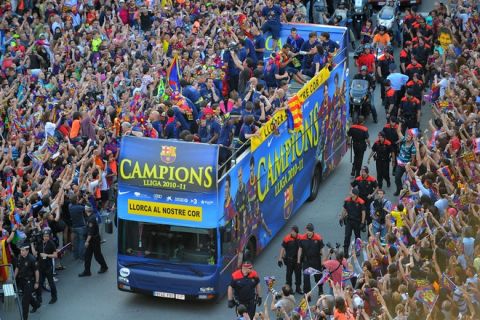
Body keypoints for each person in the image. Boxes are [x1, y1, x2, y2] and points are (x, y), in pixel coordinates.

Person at [79, 205, 108, 277]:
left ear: (86, 210)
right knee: (87, 256)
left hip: (94, 240)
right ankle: (87, 271)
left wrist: (87, 241)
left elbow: (90, 232)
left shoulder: (91, 219)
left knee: (97, 255)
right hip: (93, 239)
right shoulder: (91, 217)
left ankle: (104, 266)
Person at [14, 242, 41, 320]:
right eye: (21, 250)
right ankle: (36, 305)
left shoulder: (32, 259)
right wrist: (13, 278)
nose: (21, 252)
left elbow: (36, 271)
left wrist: (37, 282)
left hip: (29, 281)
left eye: (23, 250)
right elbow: (17, 267)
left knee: (25, 301)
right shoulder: (19, 257)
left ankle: (24, 318)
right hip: (22, 281)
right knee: (28, 296)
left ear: (27, 250)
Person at [297, 223, 324, 296]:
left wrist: (322, 262)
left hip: (316, 261)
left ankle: (320, 290)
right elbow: (300, 250)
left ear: (312, 231)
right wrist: (298, 261)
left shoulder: (318, 238)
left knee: (318, 277)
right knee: (306, 278)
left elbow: (322, 250)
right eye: (307, 230)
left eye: (310, 231)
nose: (308, 232)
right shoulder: (302, 238)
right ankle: (307, 293)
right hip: (306, 261)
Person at [33, 228, 58, 305]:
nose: (46, 237)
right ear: (42, 236)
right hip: (40, 267)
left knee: (51, 283)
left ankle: (54, 297)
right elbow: (35, 254)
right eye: (44, 236)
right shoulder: (39, 243)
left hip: (48, 267)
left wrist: (46, 255)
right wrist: (31, 244)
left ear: (49, 236)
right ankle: (39, 299)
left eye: (47, 236)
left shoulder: (51, 243)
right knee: (39, 283)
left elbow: (55, 255)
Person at [340, 188, 366, 257]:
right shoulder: (347, 200)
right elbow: (344, 210)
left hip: (357, 222)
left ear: (354, 194)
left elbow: (363, 213)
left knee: (357, 236)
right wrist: (341, 218)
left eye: (351, 192)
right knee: (347, 236)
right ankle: (345, 252)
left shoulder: (361, 202)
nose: (349, 193)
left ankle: (358, 250)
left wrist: (362, 223)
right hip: (349, 221)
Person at [278, 225, 303, 294]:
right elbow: (282, 249)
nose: (291, 232)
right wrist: (280, 259)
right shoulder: (287, 238)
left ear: (296, 232)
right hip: (289, 260)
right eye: (291, 231)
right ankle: (289, 289)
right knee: (288, 275)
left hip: (298, 260)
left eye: (293, 231)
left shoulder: (300, 238)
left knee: (298, 274)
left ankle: (298, 288)